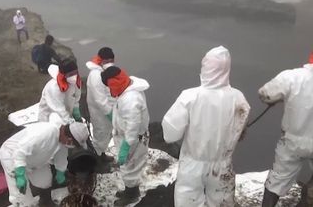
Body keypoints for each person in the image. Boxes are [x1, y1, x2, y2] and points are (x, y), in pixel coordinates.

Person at [161, 46, 250, 207]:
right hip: (223, 164)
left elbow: (170, 134)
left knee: (188, 200)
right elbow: (240, 129)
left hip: (193, 164)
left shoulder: (190, 96)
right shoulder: (238, 98)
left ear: (206, 68)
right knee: (222, 201)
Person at [258, 52, 313, 207]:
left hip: (292, 142)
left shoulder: (292, 77)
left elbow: (265, 94)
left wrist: (276, 99)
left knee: (277, 180)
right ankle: (308, 197)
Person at [0, 121, 90, 207]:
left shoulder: (62, 140)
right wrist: (19, 174)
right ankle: (23, 203)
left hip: (33, 159)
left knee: (45, 181)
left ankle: (44, 201)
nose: (72, 146)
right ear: (69, 138)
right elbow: (20, 152)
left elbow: (61, 156)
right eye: (73, 143)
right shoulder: (45, 133)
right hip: (12, 155)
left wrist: (60, 171)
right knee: (22, 194)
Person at [101, 66, 150, 206]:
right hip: (129, 135)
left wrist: (126, 145)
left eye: (109, 86)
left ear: (114, 83)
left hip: (133, 139)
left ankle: (132, 194)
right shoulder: (127, 87)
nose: (110, 91)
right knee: (129, 165)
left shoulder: (130, 100)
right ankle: (130, 189)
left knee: (130, 166)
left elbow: (133, 126)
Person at [86, 47, 116, 164]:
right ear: (100, 60)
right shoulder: (96, 75)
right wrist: (110, 113)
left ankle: (101, 154)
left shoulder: (106, 72)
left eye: (111, 61)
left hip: (108, 110)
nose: (109, 64)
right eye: (107, 61)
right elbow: (100, 99)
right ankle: (97, 160)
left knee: (107, 135)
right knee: (100, 135)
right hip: (99, 113)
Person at [38, 59, 82, 125]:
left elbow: (76, 97)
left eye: (75, 73)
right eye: (70, 74)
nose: (74, 76)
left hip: (66, 114)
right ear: (63, 75)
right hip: (51, 117)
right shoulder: (53, 88)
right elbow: (59, 110)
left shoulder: (75, 81)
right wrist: (72, 123)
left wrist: (76, 114)